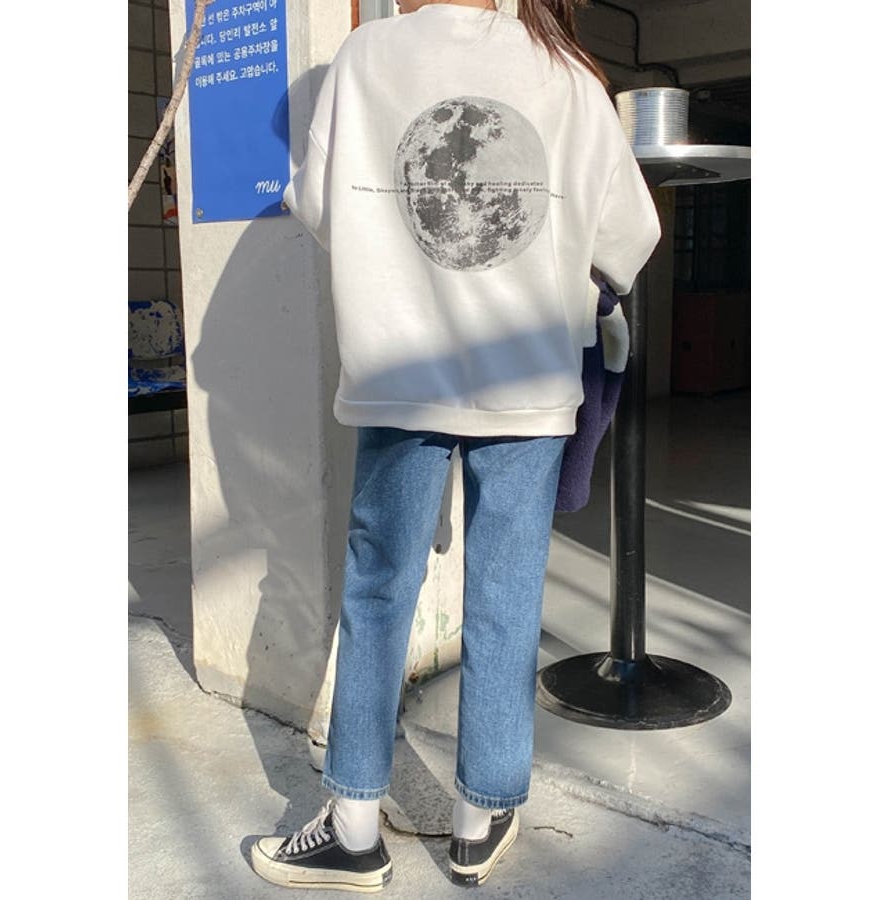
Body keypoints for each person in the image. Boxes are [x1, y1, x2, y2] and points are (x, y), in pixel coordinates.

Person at [251, 0, 660, 891]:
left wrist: (398, 260)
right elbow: (630, 235)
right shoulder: (566, 73)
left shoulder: (366, 56)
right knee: (507, 597)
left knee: (378, 592)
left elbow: (319, 204)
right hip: (527, 380)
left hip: (402, 371)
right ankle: (480, 821)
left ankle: (353, 827)